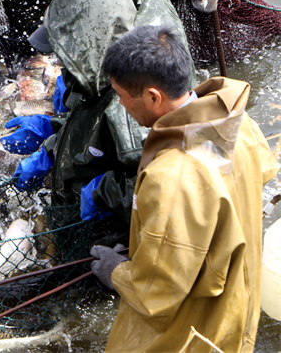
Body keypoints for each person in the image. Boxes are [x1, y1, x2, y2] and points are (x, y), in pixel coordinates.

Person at [90, 25, 279, 353]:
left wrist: (116, 271)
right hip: (239, 311)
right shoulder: (239, 123)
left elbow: (156, 292)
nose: (120, 104)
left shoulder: (170, 176)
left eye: (122, 95)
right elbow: (259, 175)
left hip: (197, 335)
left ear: (153, 97)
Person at [0, 0, 195, 245]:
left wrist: (102, 191)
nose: (63, 65)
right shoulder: (123, 11)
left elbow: (156, 194)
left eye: (70, 59)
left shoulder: (131, 93)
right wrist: (55, 134)